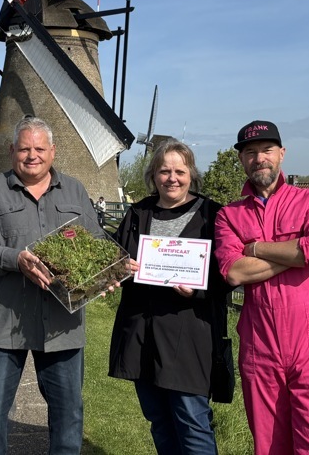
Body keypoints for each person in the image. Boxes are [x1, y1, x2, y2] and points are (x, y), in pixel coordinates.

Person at [0, 116, 104, 455]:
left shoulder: (75, 191)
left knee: (68, 414)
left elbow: (96, 241)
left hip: (61, 325)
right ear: (11, 151)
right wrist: (15, 259)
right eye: (24, 148)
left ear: (53, 151)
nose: (32, 155)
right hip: (2, 323)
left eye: (40, 148)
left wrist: (104, 273)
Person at [214, 120, 309, 455]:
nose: (260, 158)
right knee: (269, 446)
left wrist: (255, 248)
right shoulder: (229, 215)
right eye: (251, 152)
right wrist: (297, 253)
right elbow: (234, 272)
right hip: (260, 346)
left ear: (281, 154)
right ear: (242, 160)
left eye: (267, 150)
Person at [109, 139, 232, 454]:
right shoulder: (138, 213)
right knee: (159, 420)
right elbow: (117, 263)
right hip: (141, 333)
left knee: (192, 421)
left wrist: (199, 289)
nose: (172, 178)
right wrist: (118, 269)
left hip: (189, 336)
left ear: (191, 174)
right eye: (164, 171)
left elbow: (229, 273)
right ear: (153, 175)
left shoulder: (213, 215)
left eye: (179, 170)